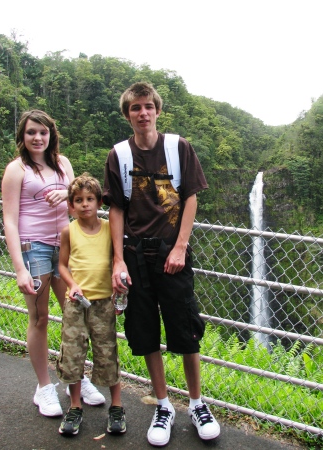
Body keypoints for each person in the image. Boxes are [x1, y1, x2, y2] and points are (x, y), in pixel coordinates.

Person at [103, 82, 220, 446]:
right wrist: (118, 259)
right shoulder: (119, 155)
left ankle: (198, 404)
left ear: (157, 110)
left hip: (173, 254)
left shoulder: (178, 147)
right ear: (128, 114)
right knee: (146, 331)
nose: (143, 113)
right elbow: (116, 208)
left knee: (185, 330)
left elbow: (190, 198)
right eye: (135, 108)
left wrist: (181, 247)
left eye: (148, 106)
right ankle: (164, 405)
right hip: (136, 256)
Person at [1, 110, 100, 417]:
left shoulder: (63, 163)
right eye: (31, 132)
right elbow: (10, 220)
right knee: (40, 317)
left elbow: (78, 204)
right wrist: (19, 268)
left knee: (75, 315)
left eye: (43, 132)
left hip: (66, 247)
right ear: (23, 135)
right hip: (35, 249)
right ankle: (44, 388)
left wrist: (64, 193)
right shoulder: (16, 170)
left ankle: (76, 377)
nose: (37, 137)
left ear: (51, 134)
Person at [56, 173, 126, 436]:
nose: (85, 204)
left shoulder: (110, 229)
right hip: (76, 304)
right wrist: (72, 285)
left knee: (107, 352)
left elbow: (116, 261)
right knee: (73, 354)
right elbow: (62, 265)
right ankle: (75, 407)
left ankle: (116, 406)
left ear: (99, 202)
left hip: (103, 303)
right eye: (78, 200)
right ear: (70, 206)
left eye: (90, 199)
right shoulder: (68, 231)